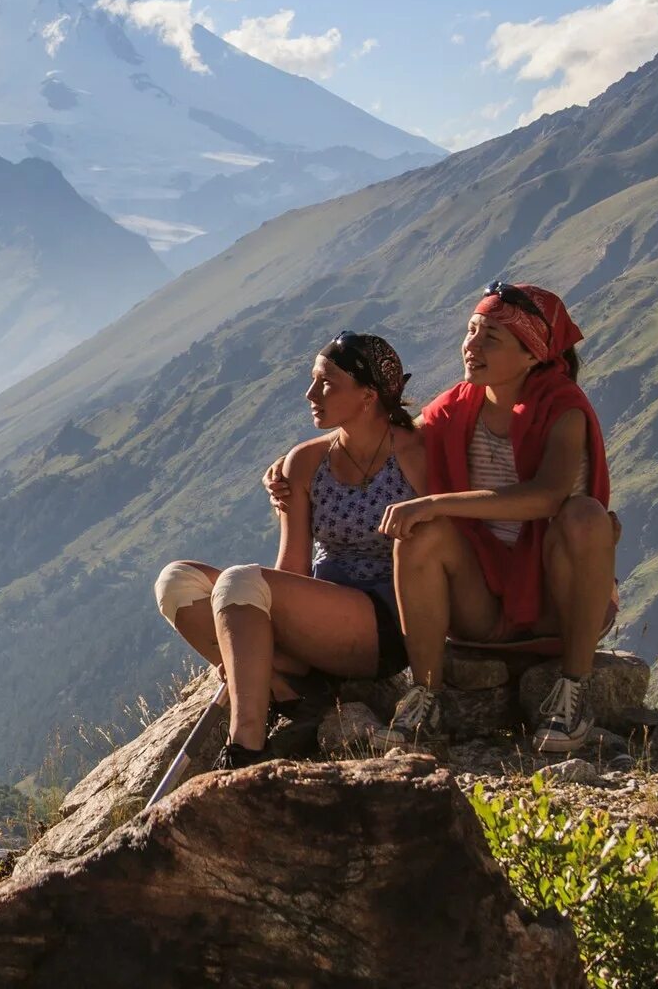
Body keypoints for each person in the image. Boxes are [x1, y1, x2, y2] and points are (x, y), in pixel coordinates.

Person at [154, 332, 425, 769]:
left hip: (382, 620)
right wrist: (261, 616)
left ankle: (246, 747)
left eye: (326, 383)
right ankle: (291, 695)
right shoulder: (305, 462)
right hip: (319, 609)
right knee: (177, 581)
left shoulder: (415, 454)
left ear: (368, 395)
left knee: (240, 581)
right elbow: (294, 565)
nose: (310, 394)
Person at [372, 282, 615, 754]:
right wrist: (302, 460)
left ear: (531, 355)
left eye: (491, 338)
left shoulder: (563, 410)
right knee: (421, 535)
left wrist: (438, 503)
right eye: (471, 330)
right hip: (483, 598)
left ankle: (573, 690)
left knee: (584, 516)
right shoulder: (458, 405)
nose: (471, 346)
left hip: (555, 600)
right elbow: (392, 438)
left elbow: (547, 497)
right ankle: (425, 698)